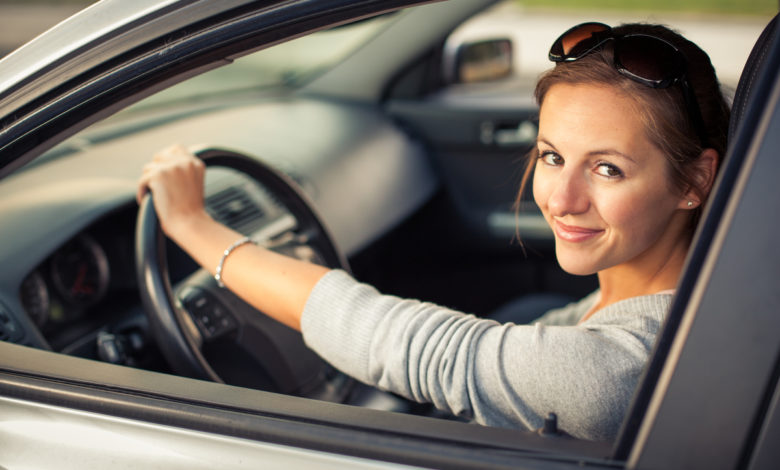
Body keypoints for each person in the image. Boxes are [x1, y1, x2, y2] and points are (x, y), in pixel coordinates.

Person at [137, 22, 730, 441]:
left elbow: (395, 339)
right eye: (552, 156)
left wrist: (192, 225)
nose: (561, 199)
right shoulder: (674, 297)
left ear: (694, 181)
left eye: (607, 169)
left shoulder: (616, 369)